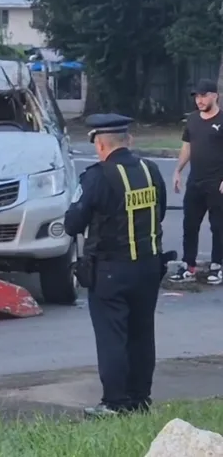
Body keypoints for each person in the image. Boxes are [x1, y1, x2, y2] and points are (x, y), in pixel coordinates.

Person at [64, 113, 167, 418]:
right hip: (148, 266)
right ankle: (140, 398)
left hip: (111, 270)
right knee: (142, 334)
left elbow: (73, 224)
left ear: (99, 145)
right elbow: (159, 213)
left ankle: (115, 403)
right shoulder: (151, 171)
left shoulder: (97, 176)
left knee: (113, 337)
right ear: (129, 140)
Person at [169, 78, 223, 284]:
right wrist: (178, 171)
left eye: (203, 96)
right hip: (195, 181)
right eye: (197, 96)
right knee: (189, 224)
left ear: (214, 96)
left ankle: (217, 265)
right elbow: (187, 147)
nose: (199, 100)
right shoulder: (192, 120)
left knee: (218, 226)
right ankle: (188, 266)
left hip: (217, 182)